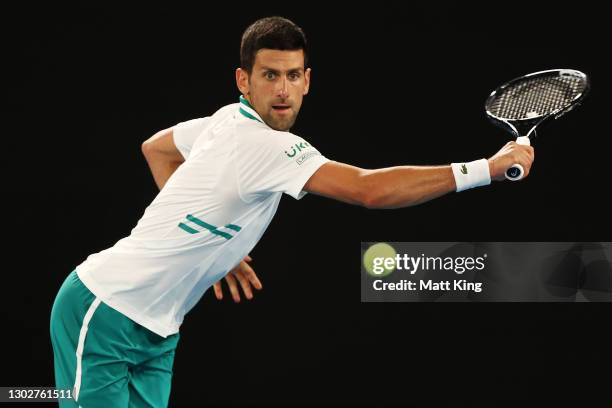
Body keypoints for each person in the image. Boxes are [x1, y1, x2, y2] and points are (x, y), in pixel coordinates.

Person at [50, 16, 534, 407]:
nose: (281, 88)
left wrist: (211, 243)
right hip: (105, 308)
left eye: (291, 75)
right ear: (244, 80)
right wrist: (486, 169)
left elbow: (156, 149)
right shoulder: (263, 145)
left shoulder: (224, 120)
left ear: (307, 81)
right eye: (269, 75)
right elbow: (368, 190)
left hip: (158, 330)